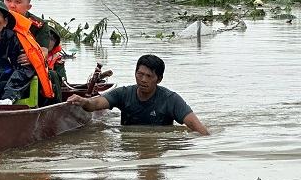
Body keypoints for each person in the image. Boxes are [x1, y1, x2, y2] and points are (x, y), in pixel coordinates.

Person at [66, 54, 210, 135]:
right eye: (140, 74)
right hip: (129, 146)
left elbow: (199, 128)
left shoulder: (170, 99)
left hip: (158, 145)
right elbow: (96, 103)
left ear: (158, 79)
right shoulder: (123, 93)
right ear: (135, 73)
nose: (143, 80)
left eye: (149, 76)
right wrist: (84, 101)